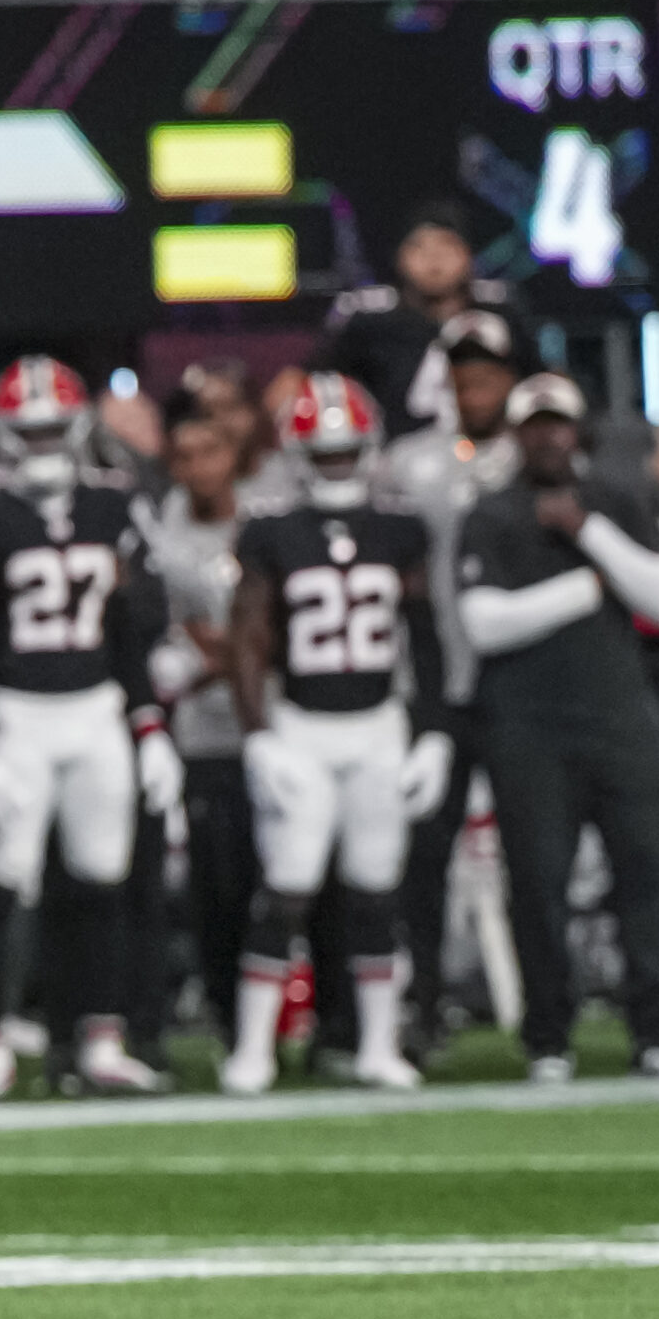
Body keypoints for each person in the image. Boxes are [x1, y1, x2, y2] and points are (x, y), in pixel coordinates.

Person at [0, 356, 180, 1097]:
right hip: (18, 713)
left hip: (96, 707)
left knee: (101, 878)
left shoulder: (113, 506)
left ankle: (95, 1037)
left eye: (52, 429)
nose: (41, 444)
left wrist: (148, 726)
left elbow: (131, 632)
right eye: (27, 430)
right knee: (10, 880)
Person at [222, 375, 451, 1095]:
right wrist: (257, 732)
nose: (336, 462)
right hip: (304, 726)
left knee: (376, 889)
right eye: (323, 452)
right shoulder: (271, 532)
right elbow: (249, 637)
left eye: (346, 450)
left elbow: (426, 635)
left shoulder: (400, 528)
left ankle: (381, 1044)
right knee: (287, 884)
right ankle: (254, 1044)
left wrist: (434, 730)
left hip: (378, 723)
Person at [459, 374, 659, 1079]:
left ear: (577, 430)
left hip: (622, 716)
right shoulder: (493, 513)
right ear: (519, 433)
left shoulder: (616, 501)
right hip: (530, 726)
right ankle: (549, 1035)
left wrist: (588, 532)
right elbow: (484, 624)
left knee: (649, 879)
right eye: (536, 425)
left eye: (560, 424)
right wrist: (585, 588)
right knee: (538, 885)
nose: (549, 437)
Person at [376, 310, 526, 1046]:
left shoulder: (537, 457)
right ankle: (424, 1002)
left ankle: (546, 1009)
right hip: (431, 677)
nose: (475, 388)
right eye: (463, 374)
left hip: (523, 682)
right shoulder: (408, 461)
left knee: (535, 850)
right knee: (422, 855)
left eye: (488, 374)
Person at [141, 388, 263, 1045]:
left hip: (276, 726)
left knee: (291, 880)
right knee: (217, 888)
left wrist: (233, 647)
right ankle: (226, 1012)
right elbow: (167, 645)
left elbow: (270, 632)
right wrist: (240, 649)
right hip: (206, 731)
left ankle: (322, 1018)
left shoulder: (268, 520)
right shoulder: (165, 534)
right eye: (184, 455)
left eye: (210, 450)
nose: (199, 466)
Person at [315, 202, 528, 441]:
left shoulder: (500, 318)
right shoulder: (371, 322)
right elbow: (315, 385)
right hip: (389, 460)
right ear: (399, 257)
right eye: (419, 247)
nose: (434, 258)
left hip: (491, 458)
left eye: (447, 245)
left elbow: (539, 385)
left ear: (468, 255)